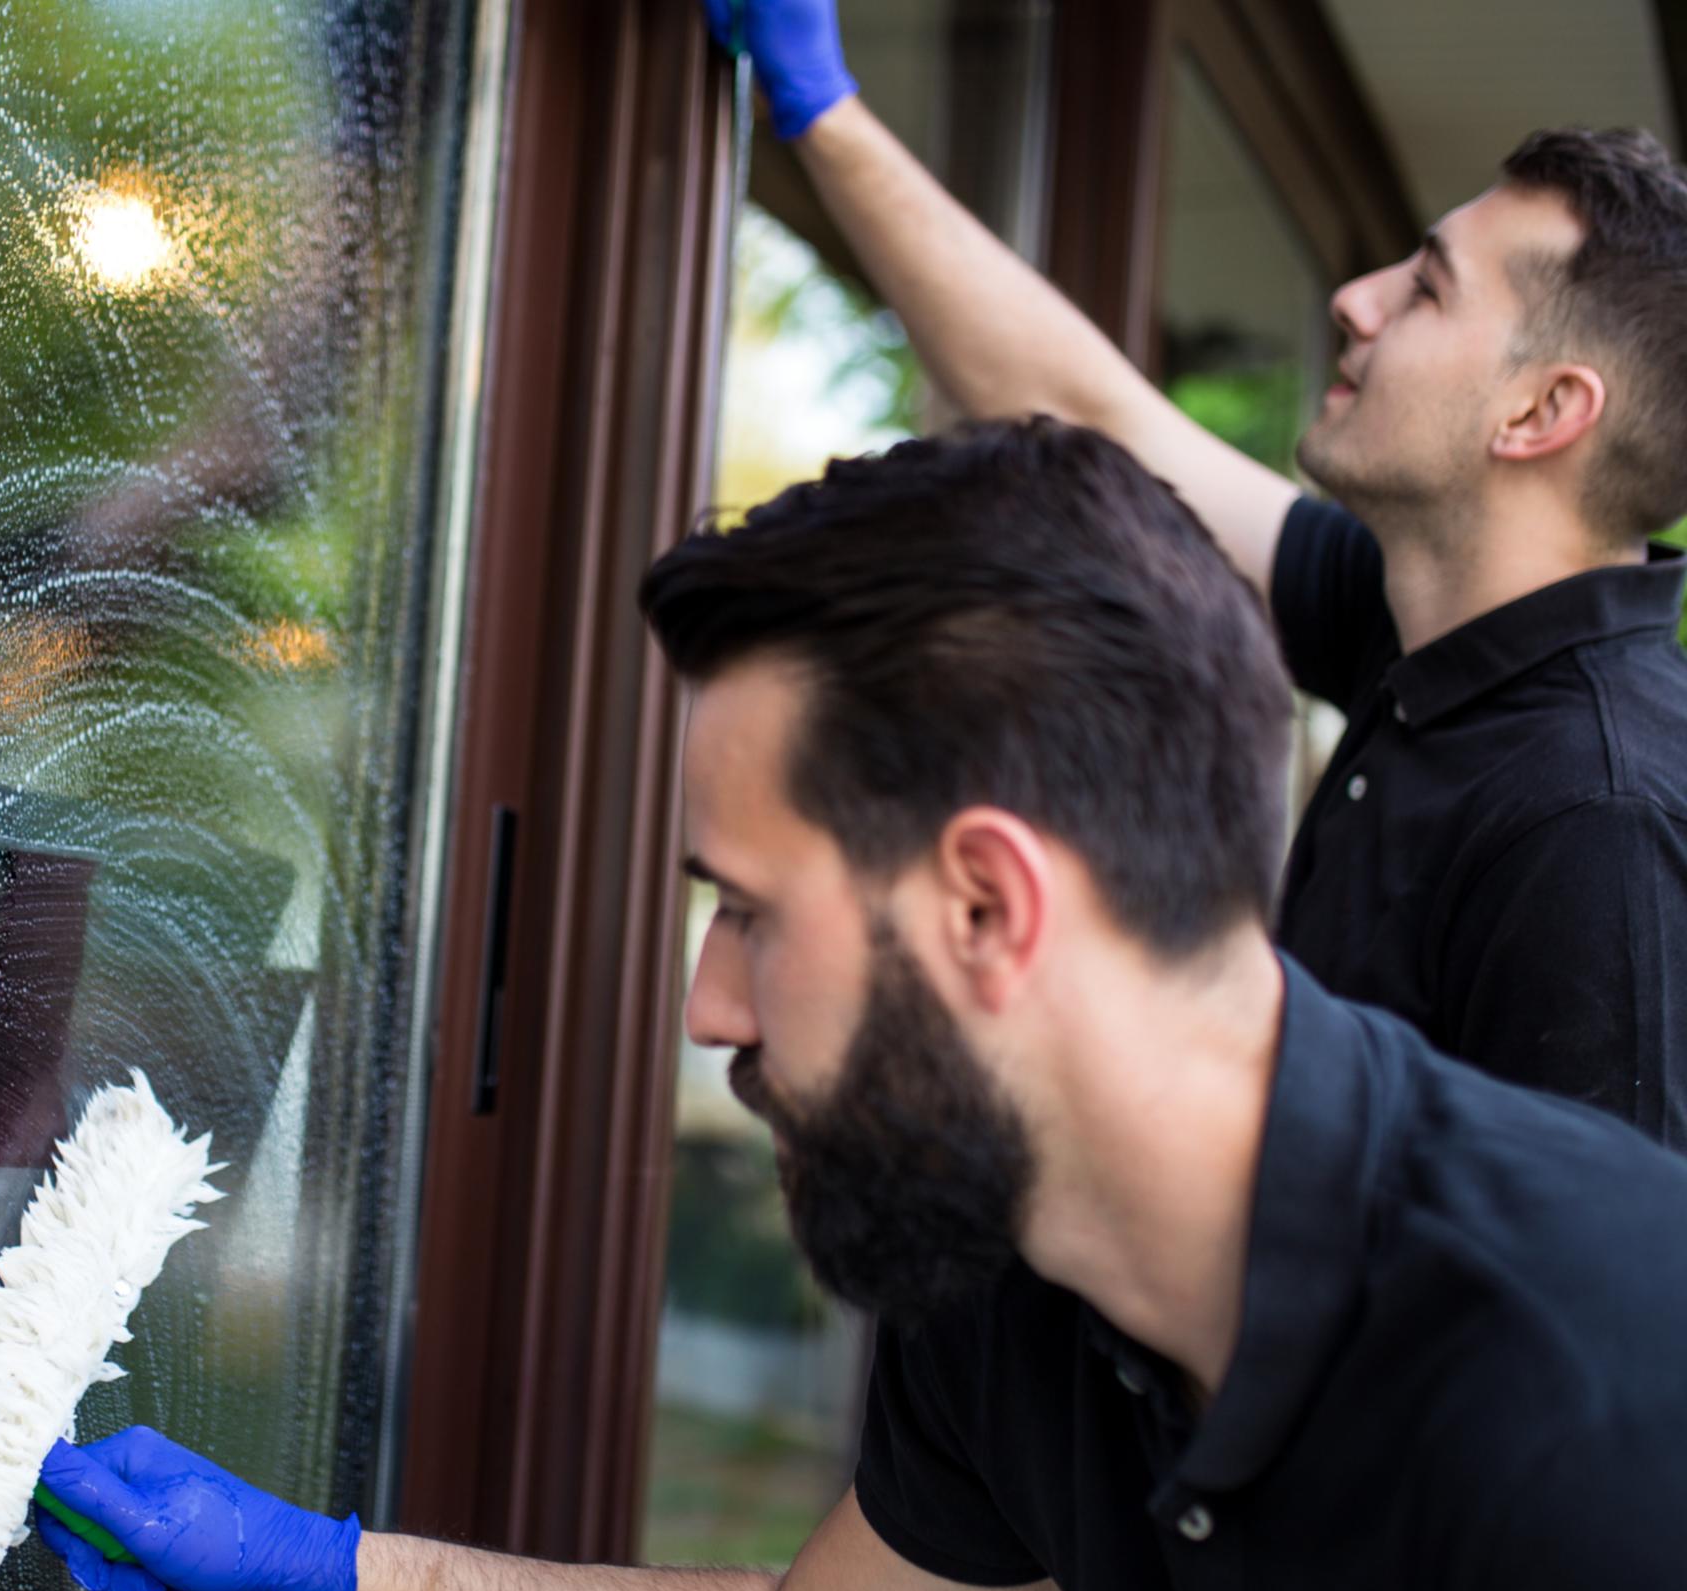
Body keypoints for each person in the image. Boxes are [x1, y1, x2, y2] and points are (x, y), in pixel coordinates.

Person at [30, 423, 1687, 1591]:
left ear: (987, 908)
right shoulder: (1025, 1260)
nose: (708, 1008)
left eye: (748, 911)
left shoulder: (1598, 1424)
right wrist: (327, 1571)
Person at [704, 1, 1687, 1144]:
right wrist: (821, 112)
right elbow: (1088, 411)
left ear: (1542, 411)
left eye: (1426, 288)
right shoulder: (1416, 626)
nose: (1355, 299)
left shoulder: (1599, 821)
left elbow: (1591, 1302)